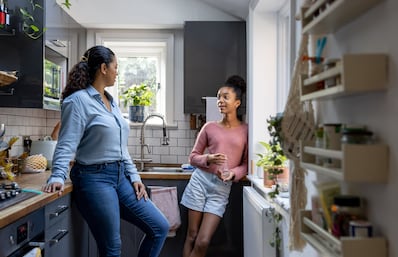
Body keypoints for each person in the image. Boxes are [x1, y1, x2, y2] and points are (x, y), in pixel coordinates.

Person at [42, 46, 169, 257]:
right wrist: (57, 174)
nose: (117, 72)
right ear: (103, 68)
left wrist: (134, 175)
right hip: (93, 178)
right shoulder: (78, 101)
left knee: (160, 227)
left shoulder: (111, 102)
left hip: (120, 177)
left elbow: (121, 148)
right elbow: (66, 143)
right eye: (115, 67)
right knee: (112, 248)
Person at [180, 75, 248, 257]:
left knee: (203, 242)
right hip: (200, 182)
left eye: (226, 97)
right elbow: (192, 157)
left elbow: (246, 164)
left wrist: (232, 174)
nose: (220, 101)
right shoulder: (209, 127)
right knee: (192, 236)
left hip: (221, 189)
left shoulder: (246, 130)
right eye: (218, 97)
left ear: (237, 103)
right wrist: (208, 158)